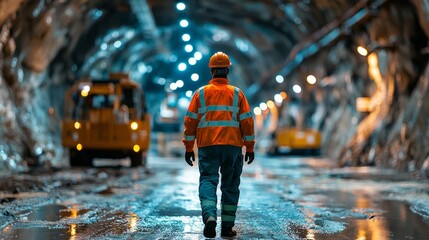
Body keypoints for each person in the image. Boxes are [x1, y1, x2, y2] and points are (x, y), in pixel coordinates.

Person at [183, 52, 255, 238]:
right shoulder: (238, 94)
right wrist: (250, 147)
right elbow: (247, 122)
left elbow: (190, 122)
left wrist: (189, 147)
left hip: (207, 145)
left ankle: (210, 217)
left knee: (208, 180)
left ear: (212, 71)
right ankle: (227, 227)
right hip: (232, 147)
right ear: (228, 71)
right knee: (230, 186)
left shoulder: (200, 94)